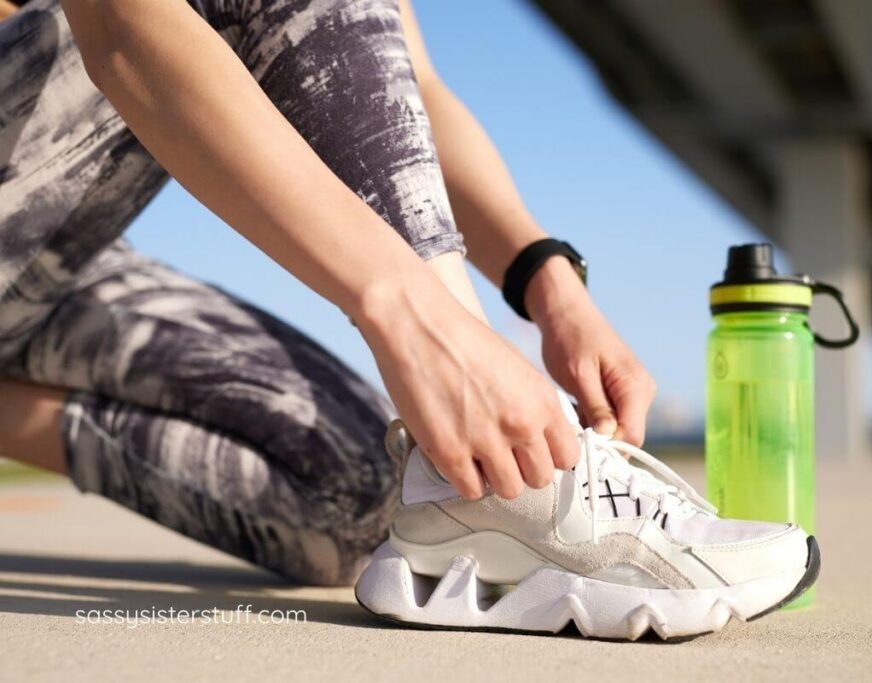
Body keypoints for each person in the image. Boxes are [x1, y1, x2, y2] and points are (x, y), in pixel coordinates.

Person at [0, 0, 817, 639]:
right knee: (454, 472)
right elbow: (122, 25)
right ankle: (524, 497)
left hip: (51, 268)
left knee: (374, 502)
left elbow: (403, 85)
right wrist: (415, 315)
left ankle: (482, 494)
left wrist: (548, 284)